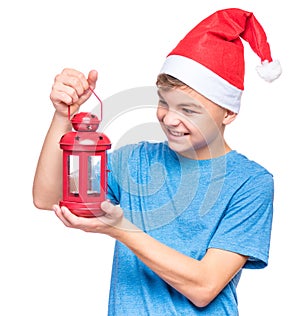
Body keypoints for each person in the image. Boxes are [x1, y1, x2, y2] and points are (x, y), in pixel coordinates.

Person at [32, 8, 281, 315]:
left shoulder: (250, 183)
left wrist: (122, 229)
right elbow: (47, 197)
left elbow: (204, 287)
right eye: (164, 102)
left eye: (189, 110)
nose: (170, 119)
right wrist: (62, 115)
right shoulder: (135, 160)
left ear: (228, 112)